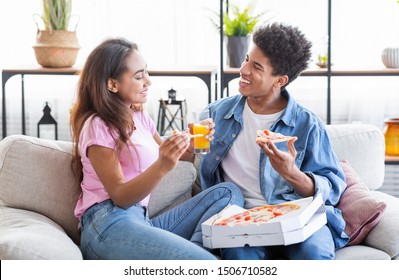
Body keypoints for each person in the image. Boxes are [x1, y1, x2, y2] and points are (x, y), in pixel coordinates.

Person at [70, 37, 244, 260]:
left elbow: (178, 160)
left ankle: (197, 251)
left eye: (146, 73)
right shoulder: (98, 125)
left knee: (228, 192)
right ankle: (199, 257)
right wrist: (162, 164)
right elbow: (121, 196)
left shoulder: (140, 116)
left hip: (142, 221)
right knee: (206, 263)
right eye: (139, 76)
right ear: (112, 84)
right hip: (106, 224)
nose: (148, 82)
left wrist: (189, 147)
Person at [199, 23, 350, 260]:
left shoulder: (307, 124)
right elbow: (190, 155)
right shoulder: (216, 114)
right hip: (240, 215)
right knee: (240, 258)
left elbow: (332, 190)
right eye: (247, 59)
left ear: (280, 80)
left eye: (256, 67)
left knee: (314, 255)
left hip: (297, 213)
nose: (243, 69)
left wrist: (291, 173)